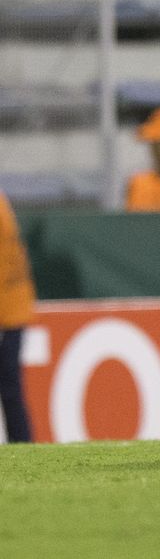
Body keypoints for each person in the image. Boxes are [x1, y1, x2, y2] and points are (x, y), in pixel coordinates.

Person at [0, 190, 36, 443]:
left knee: (10, 387)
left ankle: (22, 445)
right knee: (11, 387)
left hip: (6, 309)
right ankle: (23, 445)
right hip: (12, 305)